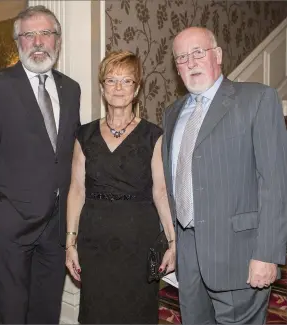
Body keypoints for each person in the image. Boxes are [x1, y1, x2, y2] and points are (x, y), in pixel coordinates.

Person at [162, 26, 287, 324]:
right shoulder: (172, 112)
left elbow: (275, 184)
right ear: (177, 68)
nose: (190, 62)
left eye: (197, 52)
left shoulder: (257, 99)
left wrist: (267, 254)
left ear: (217, 55)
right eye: (181, 57)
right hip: (189, 253)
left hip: (240, 253)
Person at [0, 5, 81, 324]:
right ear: (17, 42)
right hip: (12, 222)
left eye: (45, 33)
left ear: (57, 41)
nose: (37, 42)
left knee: (47, 308)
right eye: (28, 34)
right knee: (13, 309)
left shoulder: (70, 89)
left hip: (57, 223)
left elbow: (67, 151)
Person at [65, 50, 176, 324]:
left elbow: (160, 192)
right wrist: (70, 242)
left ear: (137, 89)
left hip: (138, 239)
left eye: (127, 81)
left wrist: (173, 242)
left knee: (135, 312)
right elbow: (77, 189)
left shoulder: (153, 135)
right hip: (95, 239)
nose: (118, 87)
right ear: (102, 88)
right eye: (111, 80)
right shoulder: (85, 134)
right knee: (97, 311)